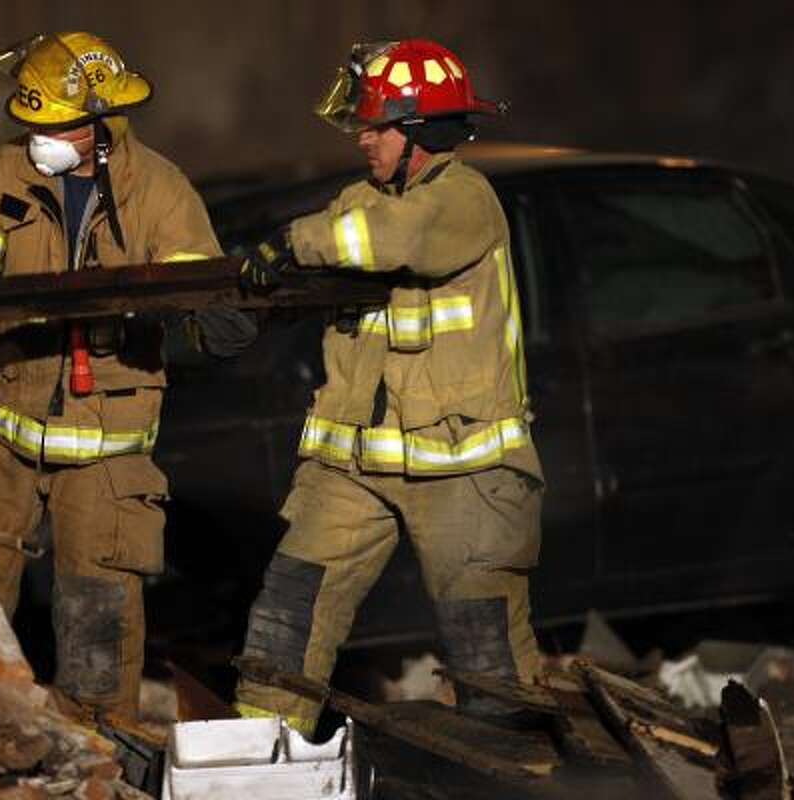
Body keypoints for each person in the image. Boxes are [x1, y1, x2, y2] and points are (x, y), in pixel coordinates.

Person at [0, 31, 250, 722]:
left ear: (97, 124)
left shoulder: (158, 189)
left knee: (97, 618)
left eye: (55, 127)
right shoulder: (2, 174)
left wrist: (210, 318)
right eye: (32, 125)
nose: (39, 139)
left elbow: (196, 280)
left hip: (106, 445)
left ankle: (100, 758)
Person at [235, 39, 544, 736]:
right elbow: (340, 267)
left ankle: (523, 777)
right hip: (354, 466)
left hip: (464, 465)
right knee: (287, 617)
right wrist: (247, 303)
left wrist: (290, 244)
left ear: (420, 132)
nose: (363, 140)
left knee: (488, 654)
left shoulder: (463, 199)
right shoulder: (358, 204)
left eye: (377, 126)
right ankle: (252, 763)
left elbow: (393, 238)